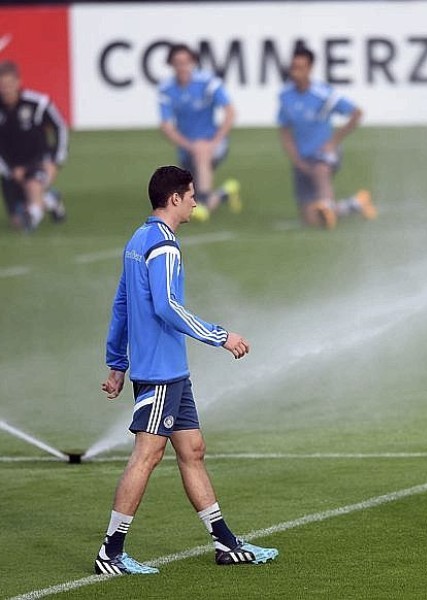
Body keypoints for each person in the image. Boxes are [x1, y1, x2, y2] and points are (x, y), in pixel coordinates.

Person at [96, 166, 277, 575]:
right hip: (160, 370)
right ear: (174, 198)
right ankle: (110, 552)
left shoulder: (137, 239)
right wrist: (220, 336)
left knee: (192, 450)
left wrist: (116, 364)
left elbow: (121, 306)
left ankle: (225, 543)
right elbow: (166, 306)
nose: (196, 201)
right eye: (192, 195)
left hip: (168, 370)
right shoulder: (162, 245)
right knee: (147, 455)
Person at [277, 45, 376, 229]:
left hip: (324, 151)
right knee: (311, 220)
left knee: (320, 171)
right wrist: (295, 158)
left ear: (310, 69)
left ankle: (328, 205)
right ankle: (355, 204)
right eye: (293, 67)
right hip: (303, 156)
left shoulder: (323, 94)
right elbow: (284, 129)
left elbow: (356, 113)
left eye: (300, 67)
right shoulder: (285, 96)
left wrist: (333, 142)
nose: (295, 72)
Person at [158, 44, 241, 222]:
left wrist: (215, 141)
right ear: (171, 64)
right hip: (187, 149)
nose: (182, 67)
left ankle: (201, 203)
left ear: (193, 62)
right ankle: (224, 193)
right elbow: (166, 126)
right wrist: (188, 146)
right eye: (177, 63)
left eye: (185, 62)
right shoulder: (166, 89)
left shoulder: (207, 82)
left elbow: (230, 112)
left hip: (213, 144)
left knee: (202, 153)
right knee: (180, 202)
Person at [0, 60, 67, 231]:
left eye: (9, 84)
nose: (5, 89)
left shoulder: (37, 103)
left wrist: (56, 160)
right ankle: (51, 200)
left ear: (18, 82)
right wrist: (10, 170)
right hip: (11, 166)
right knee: (15, 220)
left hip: (39, 160)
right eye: (2, 85)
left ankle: (34, 215)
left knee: (33, 185)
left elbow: (60, 126)